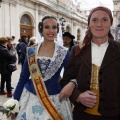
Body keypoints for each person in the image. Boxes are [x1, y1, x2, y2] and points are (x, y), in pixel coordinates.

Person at [60, 6, 120, 120]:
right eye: (95, 20)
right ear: (89, 24)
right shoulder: (77, 50)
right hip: (82, 115)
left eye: (104, 20)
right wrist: (77, 96)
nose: (99, 24)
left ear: (111, 23)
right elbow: (65, 80)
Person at [12, 15, 73, 120]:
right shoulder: (31, 51)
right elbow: (23, 78)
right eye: (47, 27)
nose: (51, 30)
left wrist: (71, 83)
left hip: (55, 101)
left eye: (54, 27)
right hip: (30, 98)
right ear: (41, 29)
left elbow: (72, 75)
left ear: (57, 30)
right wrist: (15, 102)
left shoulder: (64, 53)